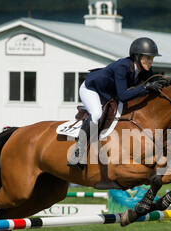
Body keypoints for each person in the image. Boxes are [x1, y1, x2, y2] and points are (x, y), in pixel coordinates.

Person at [67, 37, 165, 170]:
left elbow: (151, 86)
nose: (150, 61)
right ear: (136, 56)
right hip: (91, 88)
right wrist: (147, 88)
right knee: (96, 114)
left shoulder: (146, 71)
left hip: (109, 93)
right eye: (147, 58)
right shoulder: (122, 67)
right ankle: (77, 153)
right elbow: (123, 96)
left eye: (152, 58)